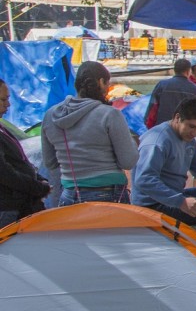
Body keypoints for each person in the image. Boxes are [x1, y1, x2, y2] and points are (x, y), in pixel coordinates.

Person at [40, 61, 138, 205]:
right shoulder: (110, 114)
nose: (107, 89)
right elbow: (128, 161)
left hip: (70, 195)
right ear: (100, 82)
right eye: (107, 84)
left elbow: (50, 162)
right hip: (108, 196)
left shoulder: (50, 115)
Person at [0, 78, 51, 225]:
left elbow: (18, 162)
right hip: (7, 209)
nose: (8, 104)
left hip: (17, 206)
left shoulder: (3, 128)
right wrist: (38, 187)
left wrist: (39, 179)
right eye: (3, 99)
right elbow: (5, 173)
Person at [145, 58, 196, 128]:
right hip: (184, 130)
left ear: (175, 70)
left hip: (162, 127)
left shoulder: (162, 85)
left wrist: (150, 127)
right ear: (188, 71)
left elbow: (152, 108)